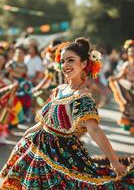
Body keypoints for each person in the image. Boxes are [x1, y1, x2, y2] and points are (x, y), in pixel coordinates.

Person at [0, 38, 133, 189]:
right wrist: (26, 135)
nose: (65, 65)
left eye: (71, 60)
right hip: (36, 148)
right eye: (63, 61)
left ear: (83, 64)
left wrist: (114, 160)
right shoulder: (59, 89)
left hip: (60, 154)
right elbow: (45, 121)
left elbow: (94, 129)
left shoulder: (83, 97)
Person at [109, 39, 134, 134]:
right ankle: (131, 126)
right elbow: (120, 76)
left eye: (133, 51)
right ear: (127, 53)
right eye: (130, 51)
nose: (132, 53)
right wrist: (113, 78)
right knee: (129, 106)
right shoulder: (126, 65)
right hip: (128, 88)